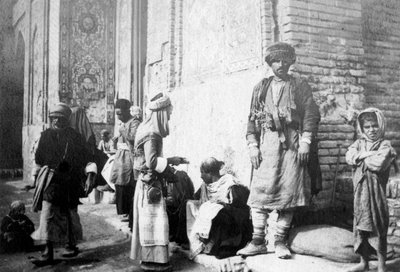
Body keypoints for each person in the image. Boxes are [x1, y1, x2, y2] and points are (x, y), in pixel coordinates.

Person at [237, 42, 321, 259]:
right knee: (260, 193)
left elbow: (311, 114)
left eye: (285, 60)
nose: (281, 65)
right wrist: (253, 146)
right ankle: (257, 241)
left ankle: (280, 241)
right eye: (276, 60)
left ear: (291, 62)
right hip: (267, 145)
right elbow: (252, 119)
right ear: (270, 63)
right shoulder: (261, 87)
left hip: (293, 146)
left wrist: (306, 142)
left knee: (288, 193)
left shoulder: (300, 85)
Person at [25, 102, 97, 266]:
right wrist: (34, 179)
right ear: (50, 119)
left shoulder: (76, 137)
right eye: (54, 118)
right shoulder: (45, 136)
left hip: (70, 182)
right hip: (50, 181)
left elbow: (87, 159)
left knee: (69, 215)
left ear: (67, 120)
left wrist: (89, 176)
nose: (57, 121)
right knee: (48, 215)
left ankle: (70, 245)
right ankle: (47, 252)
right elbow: (38, 159)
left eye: (60, 118)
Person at [130, 93, 188, 272]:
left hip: (146, 182)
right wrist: (171, 172)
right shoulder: (152, 133)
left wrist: (172, 159)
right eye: (168, 113)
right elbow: (152, 162)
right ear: (161, 112)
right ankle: (155, 262)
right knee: (155, 223)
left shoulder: (144, 127)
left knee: (150, 223)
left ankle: (152, 259)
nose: (169, 116)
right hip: (151, 185)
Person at [345, 108, 397, 272]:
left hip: (376, 194)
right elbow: (349, 156)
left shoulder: (385, 145)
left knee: (378, 225)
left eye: (374, 126)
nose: (371, 130)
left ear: (380, 125)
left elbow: (378, 163)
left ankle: (381, 266)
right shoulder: (359, 143)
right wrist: (366, 154)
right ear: (362, 128)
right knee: (361, 225)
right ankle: (364, 262)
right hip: (360, 193)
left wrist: (360, 157)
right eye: (367, 127)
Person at [187, 157, 252, 259]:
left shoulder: (230, 183)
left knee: (218, 213)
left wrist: (222, 204)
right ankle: (198, 242)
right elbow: (195, 198)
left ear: (210, 173)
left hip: (234, 221)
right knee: (190, 204)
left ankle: (221, 244)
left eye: (202, 172)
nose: (201, 176)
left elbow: (240, 208)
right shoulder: (205, 186)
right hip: (214, 216)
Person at [109, 99, 141, 229]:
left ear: (127, 111)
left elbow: (134, 138)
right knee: (120, 184)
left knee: (128, 184)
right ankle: (125, 212)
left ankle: (130, 214)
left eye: (120, 114)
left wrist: (122, 131)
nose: (118, 117)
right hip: (121, 157)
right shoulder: (123, 123)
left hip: (129, 158)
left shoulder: (135, 123)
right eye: (117, 114)